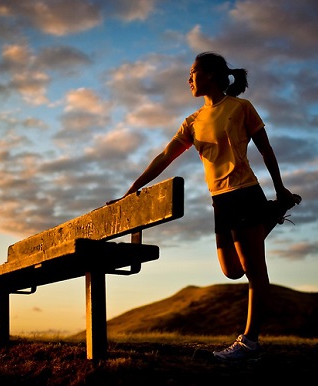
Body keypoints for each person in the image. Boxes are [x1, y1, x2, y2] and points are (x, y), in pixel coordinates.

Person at [109, 52, 301, 361]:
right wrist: (132, 190)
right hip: (220, 200)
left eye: (192, 73)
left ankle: (249, 342)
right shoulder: (193, 122)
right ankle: (273, 213)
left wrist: (279, 189)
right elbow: (163, 157)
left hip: (245, 192)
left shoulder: (240, 108)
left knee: (254, 272)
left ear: (210, 74)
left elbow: (266, 150)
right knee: (231, 271)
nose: (188, 79)